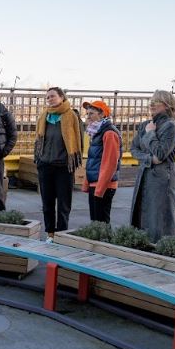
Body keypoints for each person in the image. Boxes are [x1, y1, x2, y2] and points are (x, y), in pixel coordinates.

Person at [129, 89, 175, 242]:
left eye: (156, 101)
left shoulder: (171, 126)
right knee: (141, 216)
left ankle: (161, 255)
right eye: (151, 101)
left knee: (160, 219)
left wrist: (151, 134)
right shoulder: (145, 124)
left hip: (162, 180)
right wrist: (149, 160)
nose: (152, 104)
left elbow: (161, 153)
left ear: (167, 105)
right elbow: (133, 149)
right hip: (144, 176)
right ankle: (143, 250)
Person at [34, 86, 83, 242]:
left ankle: (61, 234)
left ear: (62, 97)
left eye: (53, 96)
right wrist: (40, 159)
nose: (50, 99)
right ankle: (50, 233)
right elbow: (39, 140)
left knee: (63, 204)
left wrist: (73, 158)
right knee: (47, 203)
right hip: (45, 165)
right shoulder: (44, 117)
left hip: (63, 166)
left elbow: (78, 139)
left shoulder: (71, 116)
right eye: (47, 97)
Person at [81, 99, 122, 223]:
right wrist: (87, 183)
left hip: (104, 185)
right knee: (96, 222)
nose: (88, 117)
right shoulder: (97, 132)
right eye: (87, 114)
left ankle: (105, 242)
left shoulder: (109, 133)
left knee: (101, 223)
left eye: (91, 113)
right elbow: (94, 160)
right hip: (96, 183)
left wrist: (100, 188)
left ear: (102, 114)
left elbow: (110, 164)